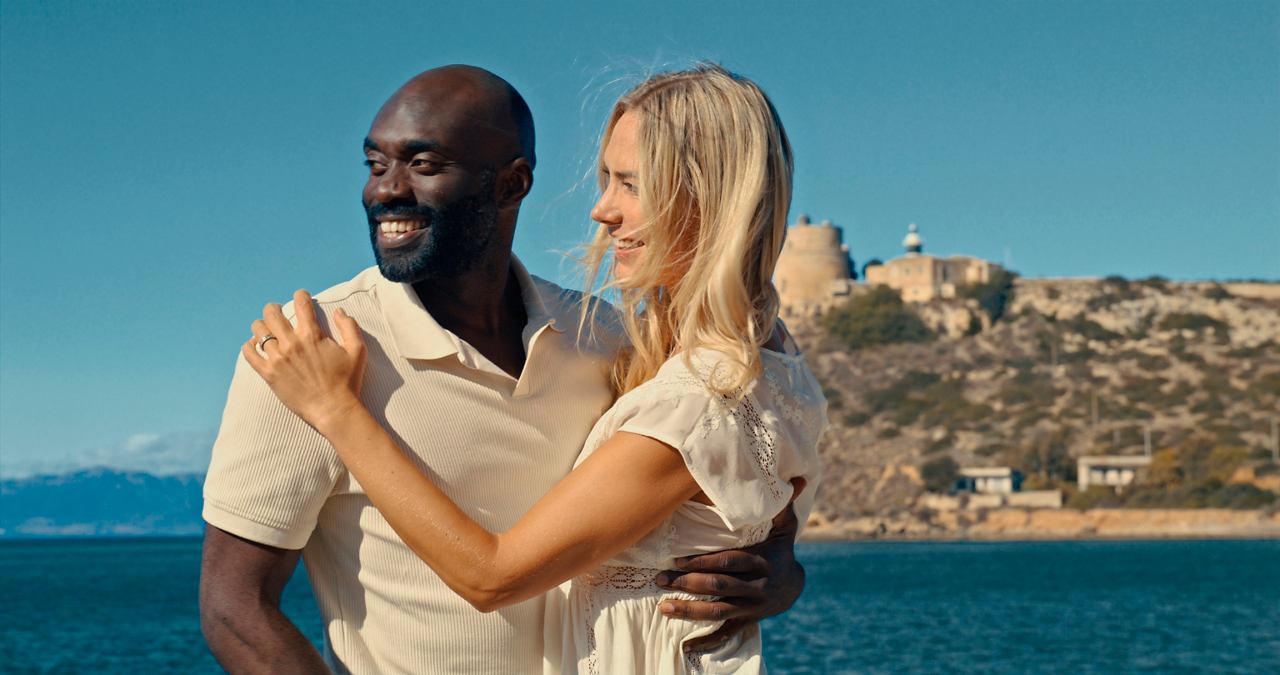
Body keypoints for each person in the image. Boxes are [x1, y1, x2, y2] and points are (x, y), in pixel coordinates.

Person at [199, 65, 806, 675]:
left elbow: (741, 479)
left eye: (424, 164)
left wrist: (777, 570)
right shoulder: (308, 357)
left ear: (512, 184)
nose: (385, 191)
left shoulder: (612, 339)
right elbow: (235, 608)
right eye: (375, 165)